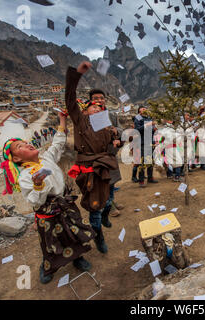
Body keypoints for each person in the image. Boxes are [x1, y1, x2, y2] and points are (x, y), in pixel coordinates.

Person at [0, 111, 95, 284]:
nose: (27, 144)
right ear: (16, 158)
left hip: (66, 207)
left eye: (26, 142)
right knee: (51, 243)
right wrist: (38, 185)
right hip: (48, 216)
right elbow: (34, 201)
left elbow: (58, 143)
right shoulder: (25, 176)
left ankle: (77, 258)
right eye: (20, 146)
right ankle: (49, 267)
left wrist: (62, 119)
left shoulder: (46, 158)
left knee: (73, 234)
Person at [65, 61, 120, 254]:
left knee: (108, 200)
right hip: (89, 171)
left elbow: (111, 147)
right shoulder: (80, 120)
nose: (96, 109)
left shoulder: (105, 126)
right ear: (85, 109)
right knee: (95, 208)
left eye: (99, 107)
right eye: (92, 106)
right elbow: (70, 98)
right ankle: (98, 236)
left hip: (105, 167)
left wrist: (115, 143)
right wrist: (76, 75)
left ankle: (106, 217)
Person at [88, 89, 125, 218]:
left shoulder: (111, 115)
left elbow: (120, 128)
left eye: (101, 98)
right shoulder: (87, 115)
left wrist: (116, 131)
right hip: (98, 155)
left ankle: (111, 201)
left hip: (110, 152)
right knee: (104, 182)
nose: (99, 100)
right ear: (90, 100)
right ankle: (108, 206)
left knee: (112, 181)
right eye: (95, 98)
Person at [134, 105, 159, 187]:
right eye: (142, 108)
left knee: (150, 161)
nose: (145, 109)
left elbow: (152, 130)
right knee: (142, 162)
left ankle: (150, 178)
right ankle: (141, 180)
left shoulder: (149, 118)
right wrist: (147, 125)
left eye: (146, 108)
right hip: (142, 142)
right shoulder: (137, 118)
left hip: (150, 142)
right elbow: (137, 130)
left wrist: (154, 129)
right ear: (139, 111)